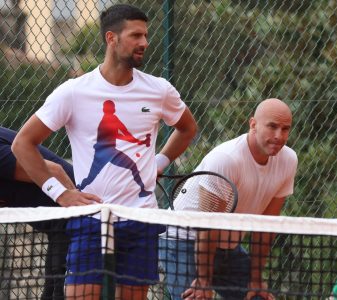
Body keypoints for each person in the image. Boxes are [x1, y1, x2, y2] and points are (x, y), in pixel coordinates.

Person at [11, 4, 198, 300]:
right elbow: (22, 143)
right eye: (136, 35)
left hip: (141, 219)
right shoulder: (73, 92)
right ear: (111, 38)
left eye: (146, 35)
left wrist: (159, 161)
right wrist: (60, 193)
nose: (144, 43)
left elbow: (187, 128)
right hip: (90, 219)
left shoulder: (159, 90)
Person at [159, 98, 298, 300]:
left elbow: (266, 227)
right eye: (272, 126)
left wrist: (256, 279)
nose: (279, 136)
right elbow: (208, 226)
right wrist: (204, 282)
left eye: (285, 129)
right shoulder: (227, 159)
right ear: (253, 125)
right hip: (183, 240)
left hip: (227, 246)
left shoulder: (288, 160)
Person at [0, 126, 75, 300]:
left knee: (58, 293)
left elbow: (54, 172)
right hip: (57, 225)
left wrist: (79, 208)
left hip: (72, 219)